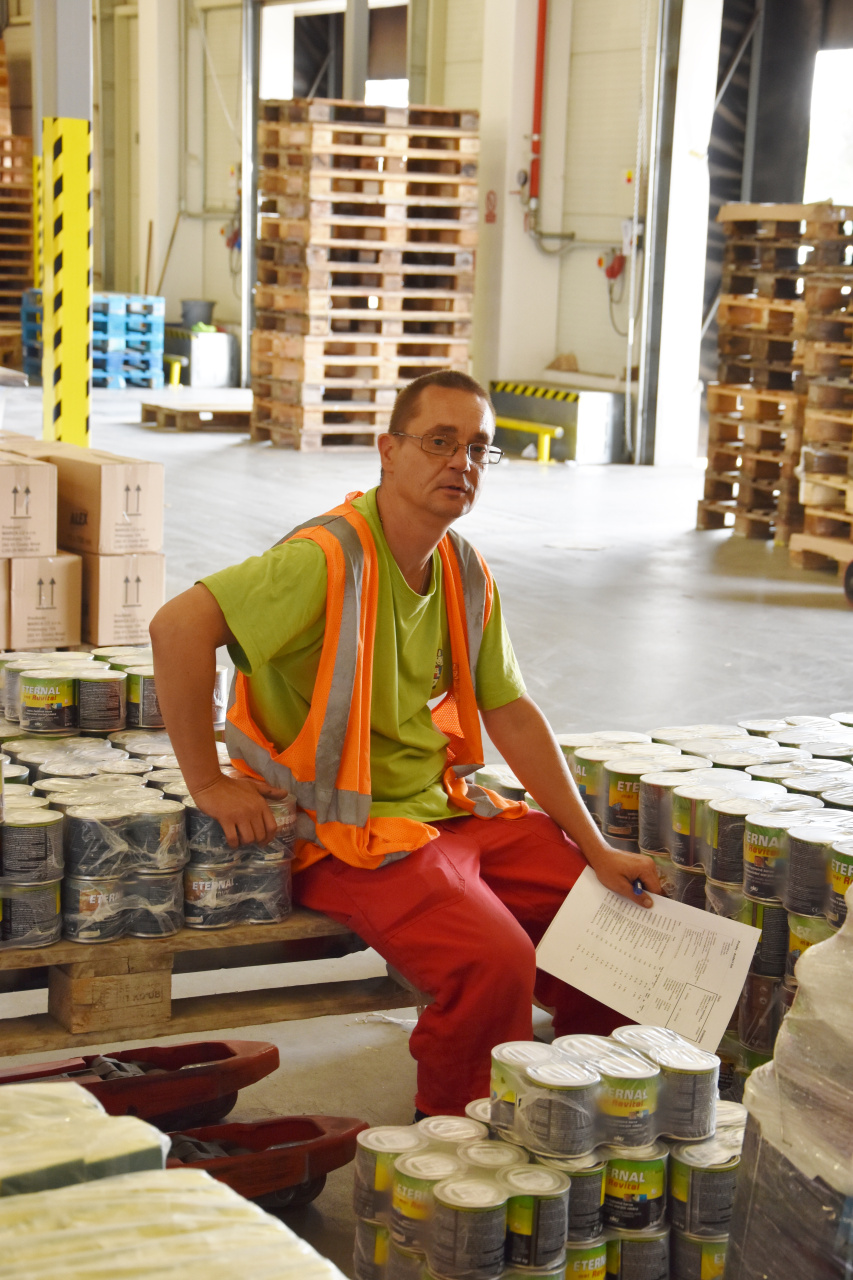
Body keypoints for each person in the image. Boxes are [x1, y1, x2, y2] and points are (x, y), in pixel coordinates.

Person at [150, 370, 660, 1118]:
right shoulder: (324, 559)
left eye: (478, 448)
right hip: (345, 831)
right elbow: (176, 627)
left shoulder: (462, 568)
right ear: (388, 451)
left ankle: (588, 1100)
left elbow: (510, 710)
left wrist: (595, 847)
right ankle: (458, 1133)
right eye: (439, 442)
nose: (461, 463)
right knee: (491, 959)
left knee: (605, 917)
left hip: (443, 808)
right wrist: (207, 783)